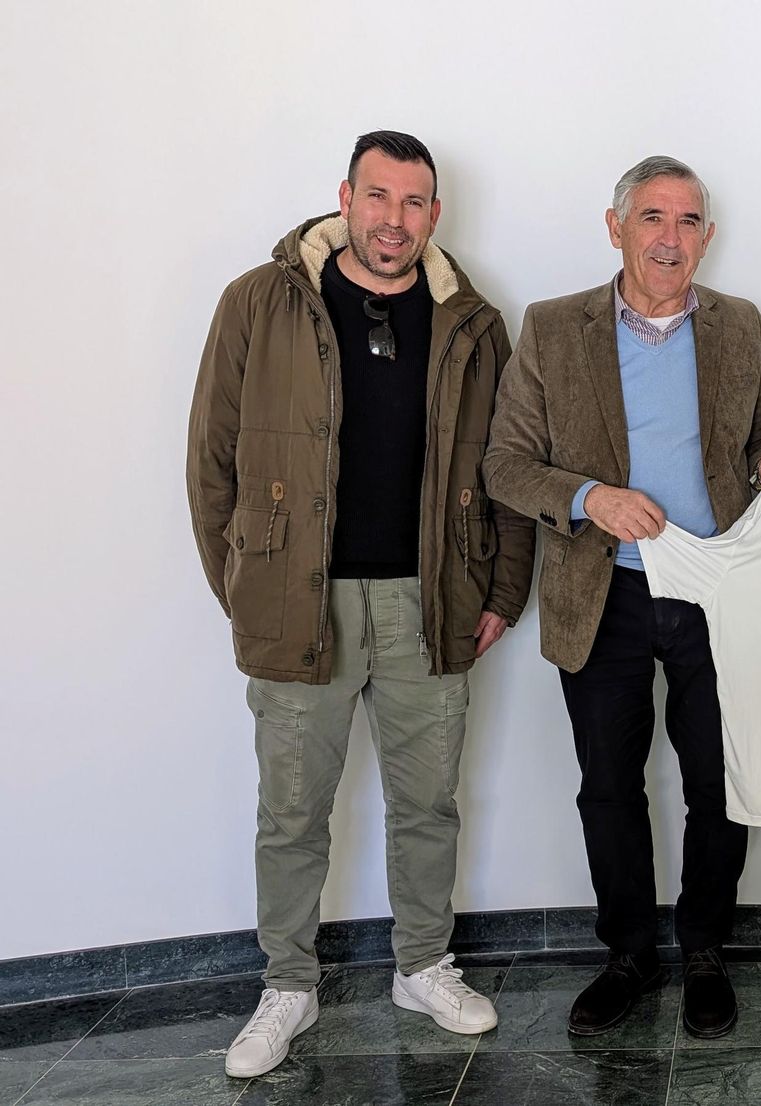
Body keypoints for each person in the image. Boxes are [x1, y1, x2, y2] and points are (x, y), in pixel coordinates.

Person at [187, 131, 535, 1078]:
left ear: (435, 214)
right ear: (344, 197)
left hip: (433, 601)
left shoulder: (472, 321)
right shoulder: (260, 303)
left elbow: (507, 466)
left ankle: (422, 965)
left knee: (429, 803)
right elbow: (211, 459)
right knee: (291, 810)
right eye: (378, 197)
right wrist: (244, 584)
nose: (395, 220)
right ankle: (286, 986)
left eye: (415, 202)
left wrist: (501, 588)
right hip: (301, 603)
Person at [482, 155, 761, 1040]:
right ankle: (627, 954)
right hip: (606, 593)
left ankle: (704, 951)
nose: (672, 239)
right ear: (616, 225)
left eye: (689, 221)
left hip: (719, 594)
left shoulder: (740, 326)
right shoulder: (553, 328)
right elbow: (504, 465)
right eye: (654, 219)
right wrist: (594, 498)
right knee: (608, 788)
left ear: (707, 236)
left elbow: (759, 440)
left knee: (719, 785)